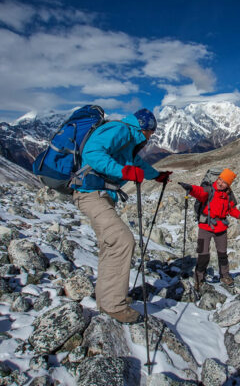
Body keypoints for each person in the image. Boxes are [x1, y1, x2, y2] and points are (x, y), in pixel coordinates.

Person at [73, 108, 171, 323]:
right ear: (143, 128)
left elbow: (136, 164)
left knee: (111, 245)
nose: (150, 138)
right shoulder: (120, 129)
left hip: (99, 195)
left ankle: (107, 298)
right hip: (90, 194)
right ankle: (113, 305)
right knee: (122, 241)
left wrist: (157, 176)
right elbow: (93, 153)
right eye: (150, 133)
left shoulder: (127, 140)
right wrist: (124, 172)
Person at [178, 168, 240, 291]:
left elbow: (231, 209)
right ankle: (199, 278)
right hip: (204, 227)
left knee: (222, 254)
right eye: (220, 179)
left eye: (224, 182)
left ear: (229, 184)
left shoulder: (228, 195)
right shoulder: (209, 189)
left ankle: (225, 276)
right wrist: (190, 188)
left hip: (221, 228)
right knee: (203, 254)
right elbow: (199, 192)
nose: (220, 183)